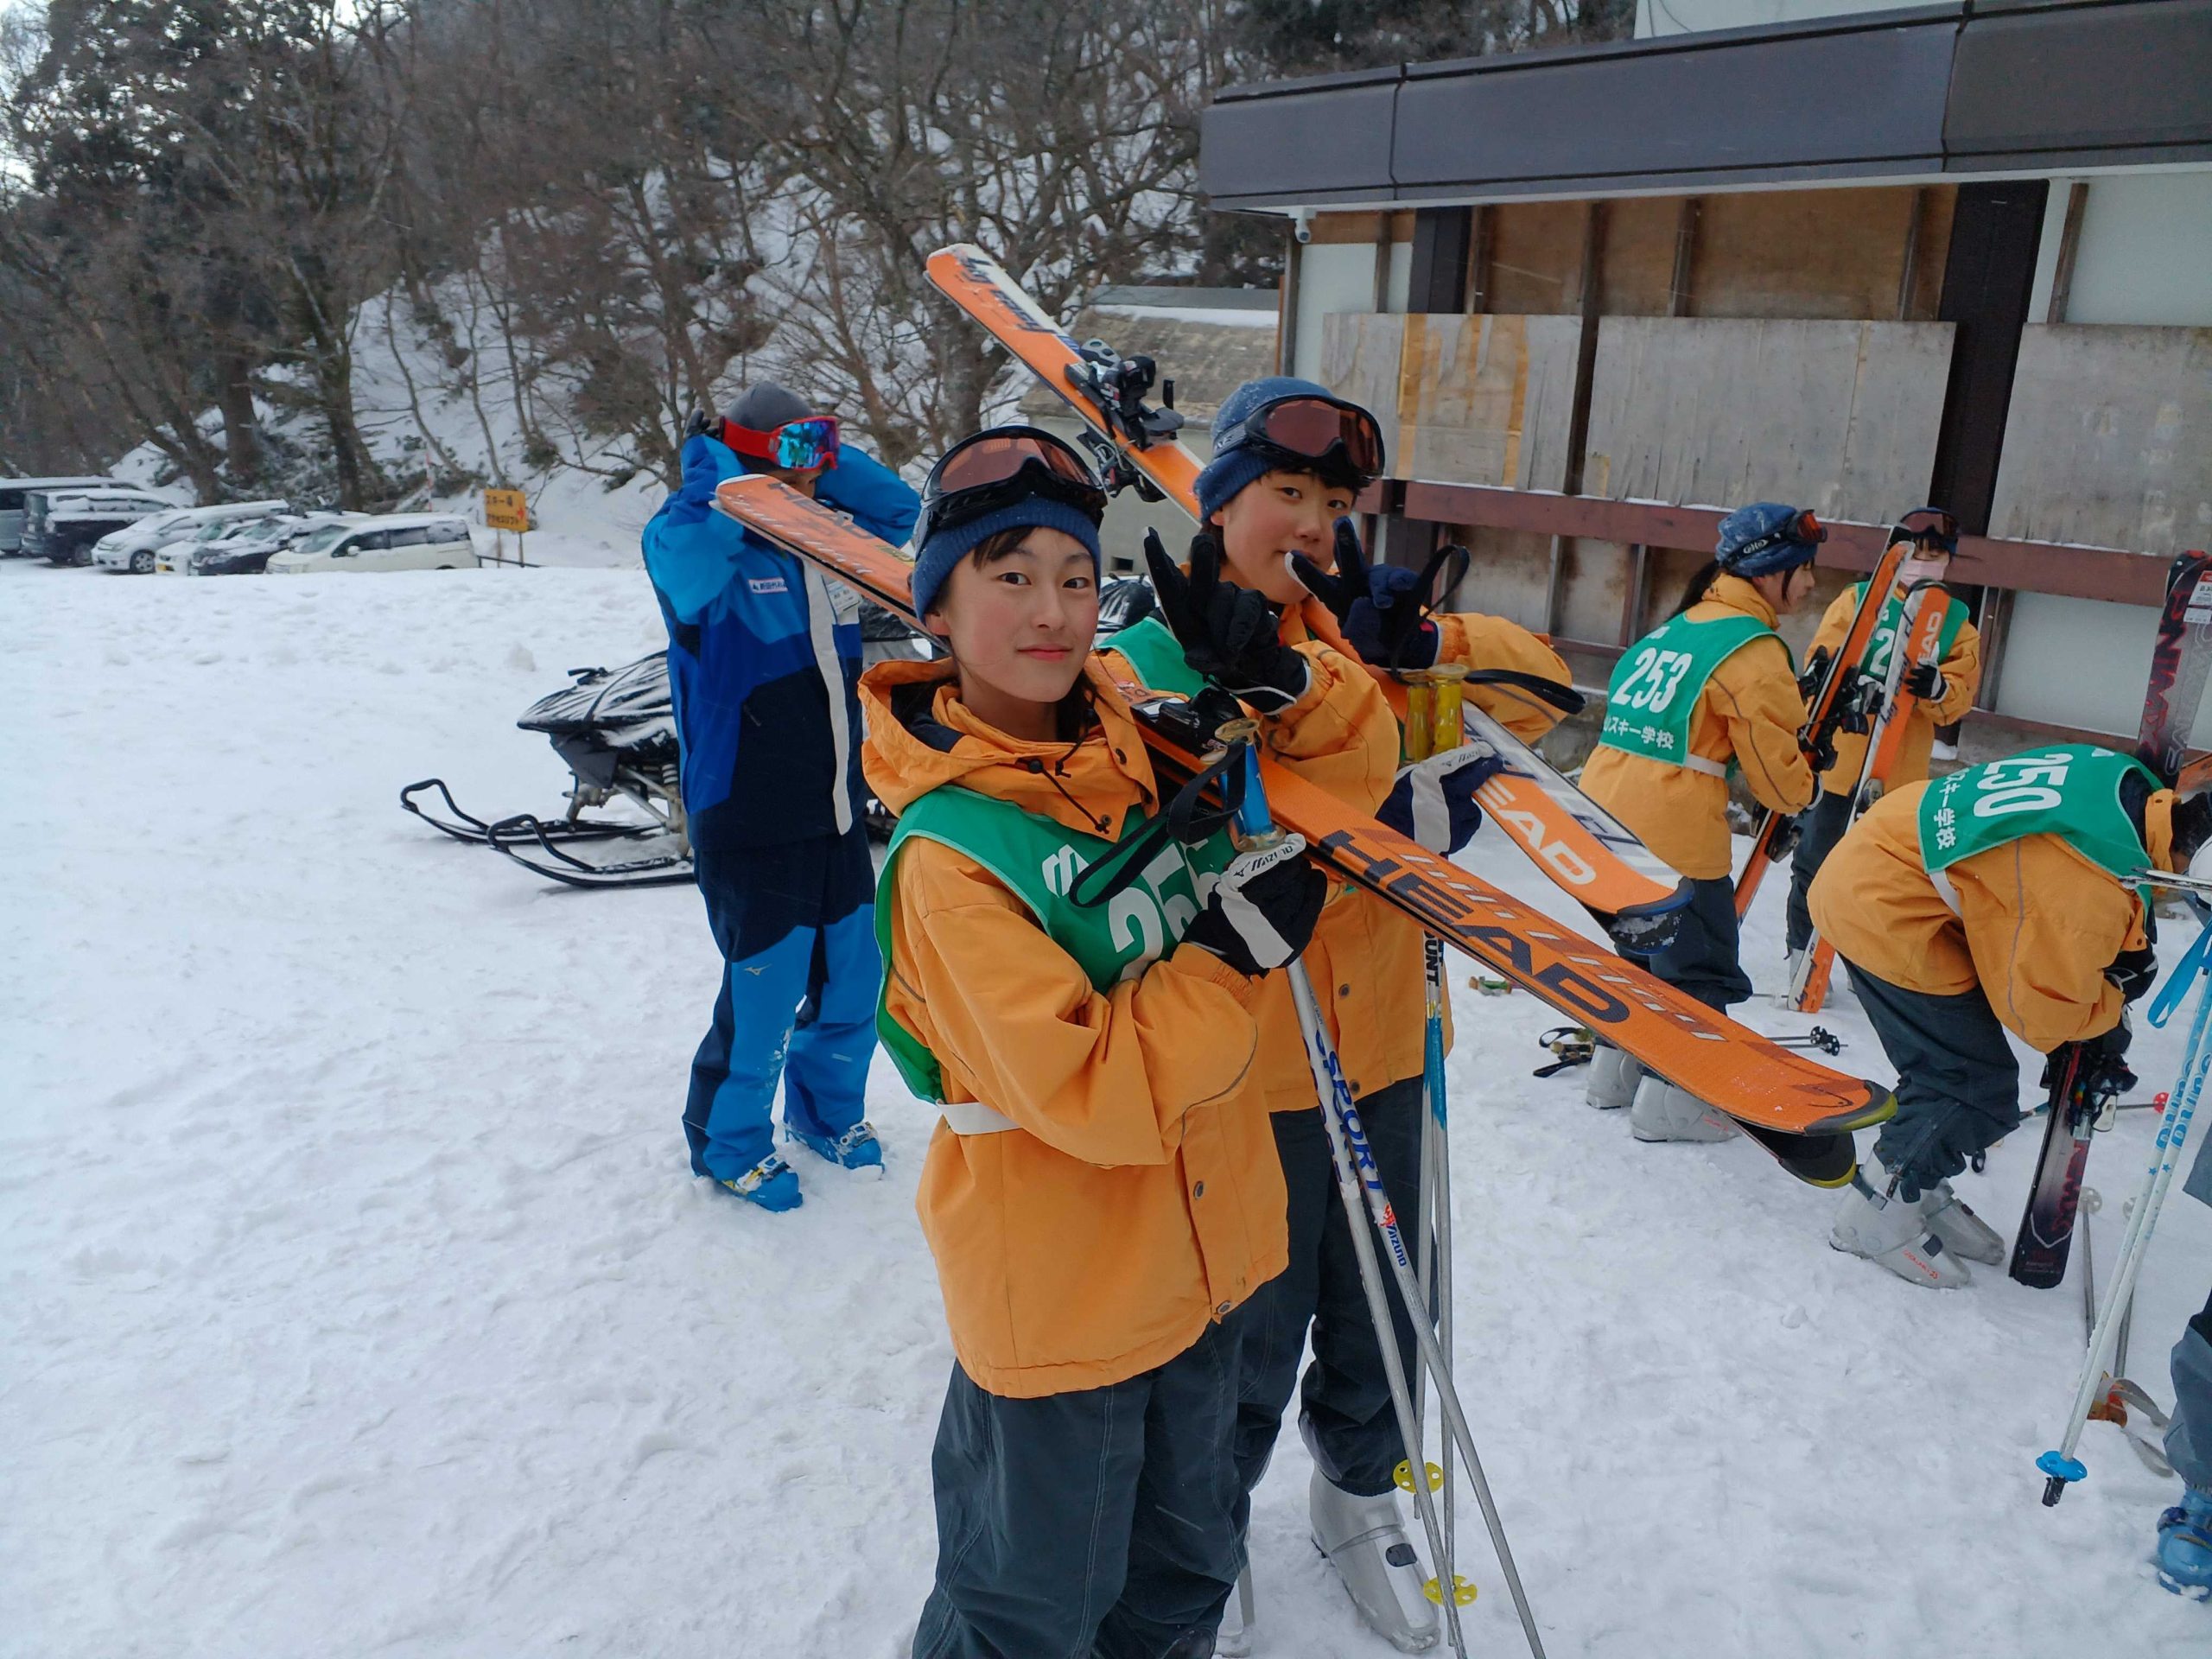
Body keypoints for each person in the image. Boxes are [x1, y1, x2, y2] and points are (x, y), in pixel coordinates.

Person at [1104, 375, 1568, 1652]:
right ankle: (1203, 1538)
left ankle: (1357, 1491)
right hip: (1251, 1062)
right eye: (1285, 492)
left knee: (1393, 1309)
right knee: (1244, 1338)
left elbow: (1504, 724)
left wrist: (1418, 669)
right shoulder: (1143, 656)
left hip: (1386, 1042)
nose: (1308, 520)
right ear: (1224, 498)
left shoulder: (1341, 639)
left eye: (1331, 499)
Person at [867, 426, 1340, 1656]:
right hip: (1067, 1298)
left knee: (1185, 1574)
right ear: (940, 606)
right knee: (1029, 1611)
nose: (1053, 611)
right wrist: (1228, 961)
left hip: (1206, 1265)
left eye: (1076, 578)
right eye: (1009, 577)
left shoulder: (1128, 741)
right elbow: (1085, 1086)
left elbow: (1210, 702)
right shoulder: (952, 857)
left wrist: (1264, 680)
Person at [640, 382, 918, 1211]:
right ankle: (729, 1147)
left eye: (820, 450)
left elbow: (897, 511)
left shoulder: (823, 538)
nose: (812, 470)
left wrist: (815, 468)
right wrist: (721, 474)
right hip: (747, 814)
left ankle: (827, 1115)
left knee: (850, 979)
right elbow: (689, 557)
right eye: (794, 450)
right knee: (764, 990)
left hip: (833, 807)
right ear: (752, 453)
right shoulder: (695, 541)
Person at [1808, 747, 2212, 1287]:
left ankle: (1918, 1184)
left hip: (1892, 861)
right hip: (1885, 907)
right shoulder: (2083, 885)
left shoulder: (2129, 784)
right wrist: (2107, 1015)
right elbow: (2041, 1014)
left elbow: (2078, 880)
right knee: (1971, 1085)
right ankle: (1878, 1212)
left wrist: (2124, 947)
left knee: (1951, 1066)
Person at [1578, 503, 1822, 1142]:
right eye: (1804, 570)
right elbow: (1777, 781)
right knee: (1699, 967)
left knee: (1638, 950)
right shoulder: (1753, 649)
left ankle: (1616, 1071)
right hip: (1673, 828)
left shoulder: (1673, 629)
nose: (1812, 584)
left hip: (1603, 814)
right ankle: (1675, 1104)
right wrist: (1809, 781)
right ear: (1773, 572)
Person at [1783, 507, 1982, 982]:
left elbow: (1959, 696)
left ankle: (1861, 958)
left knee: (1876, 877)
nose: (1926, 560)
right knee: (1815, 859)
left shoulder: (1956, 623)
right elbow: (1824, 656)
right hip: (1842, 758)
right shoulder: (1860, 599)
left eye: (1936, 554)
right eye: (1918, 550)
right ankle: (1801, 952)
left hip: (1898, 771)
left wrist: (1935, 690)